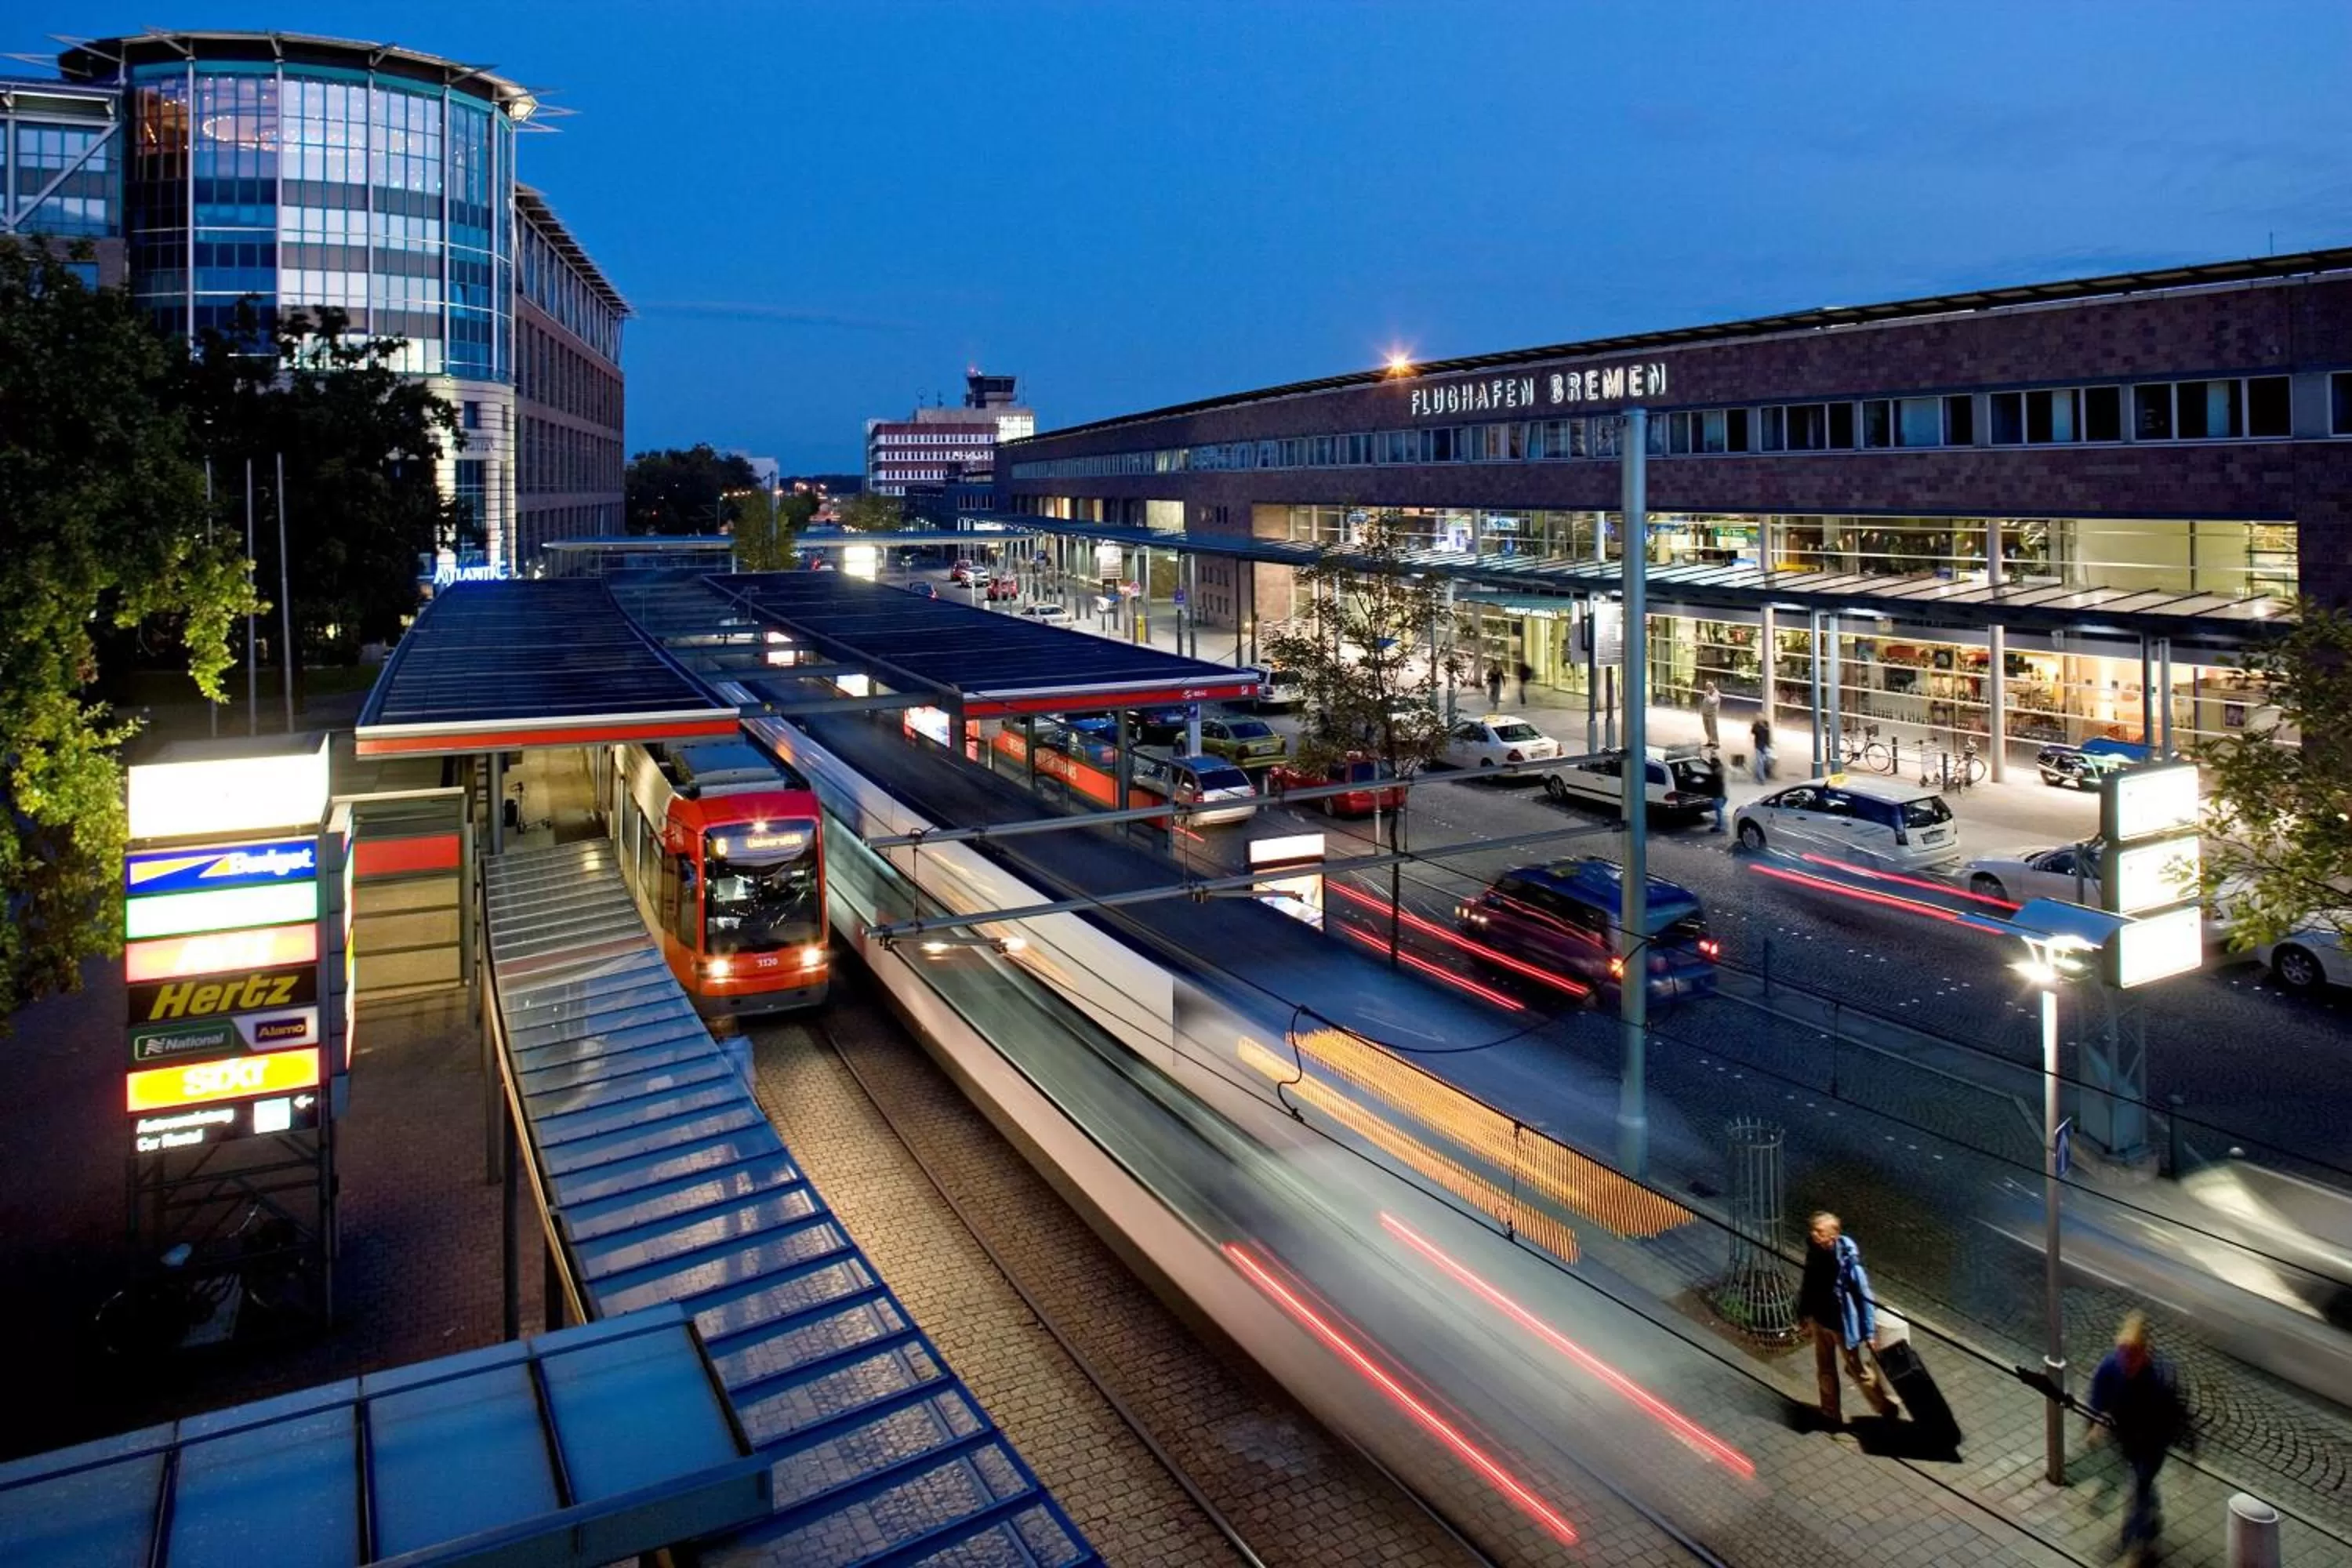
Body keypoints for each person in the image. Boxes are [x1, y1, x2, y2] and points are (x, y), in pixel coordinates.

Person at [2087, 1312, 2191, 1562]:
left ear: (2146, 1351)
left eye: (2133, 1356)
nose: (2127, 1362)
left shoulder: (2162, 1375)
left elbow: (2178, 1416)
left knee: (2140, 1486)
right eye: (2124, 1354)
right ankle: (2150, 1526)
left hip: (2152, 1444)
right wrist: (2094, 1427)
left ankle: (2137, 1543)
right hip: (2125, 1439)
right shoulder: (2111, 1366)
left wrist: (2188, 1453)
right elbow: (2097, 1399)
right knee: (2140, 1486)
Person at [1798, 1212, 1898, 1426]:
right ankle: (1830, 1412)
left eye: (1819, 1231)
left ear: (1834, 1235)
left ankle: (1886, 1408)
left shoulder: (1849, 1263)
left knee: (1857, 1370)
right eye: (1813, 1230)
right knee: (1824, 1368)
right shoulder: (1814, 1252)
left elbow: (1865, 1298)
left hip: (1842, 1326)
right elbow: (1808, 1284)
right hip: (1820, 1320)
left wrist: (1869, 1332)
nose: (1814, 1234)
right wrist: (1803, 1313)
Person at [1697, 746, 1727, 833]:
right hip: (1721, 793)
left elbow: (1708, 777)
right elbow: (1710, 765)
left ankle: (1720, 826)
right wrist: (1711, 753)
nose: (1710, 763)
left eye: (1712, 762)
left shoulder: (1714, 774)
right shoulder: (1720, 768)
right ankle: (1721, 824)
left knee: (1719, 810)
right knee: (1719, 810)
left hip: (1717, 794)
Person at [1750, 715, 1775, 784]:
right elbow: (1753, 732)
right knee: (1760, 763)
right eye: (1759, 717)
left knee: (1766, 761)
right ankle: (1762, 779)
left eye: (1761, 717)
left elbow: (1768, 734)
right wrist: (1757, 725)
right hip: (1758, 746)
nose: (1760, 718)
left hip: (1765, 746)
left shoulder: (1766, 723)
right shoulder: (1756, 725)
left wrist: (1769, 745)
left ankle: (1760, 775)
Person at [1700, 681, 1722, 749]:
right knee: (1707, 728)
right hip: (1705, 713)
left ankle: (1716, 743)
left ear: (1713, 687)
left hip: (1712, 714)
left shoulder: (1716, 694)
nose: (1708, 688)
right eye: (1707, 687)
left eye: (1709, 687)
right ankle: (1710, 741)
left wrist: (1707, 695)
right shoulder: (1707, 693)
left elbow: (1712, 702)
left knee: (1713, 729)